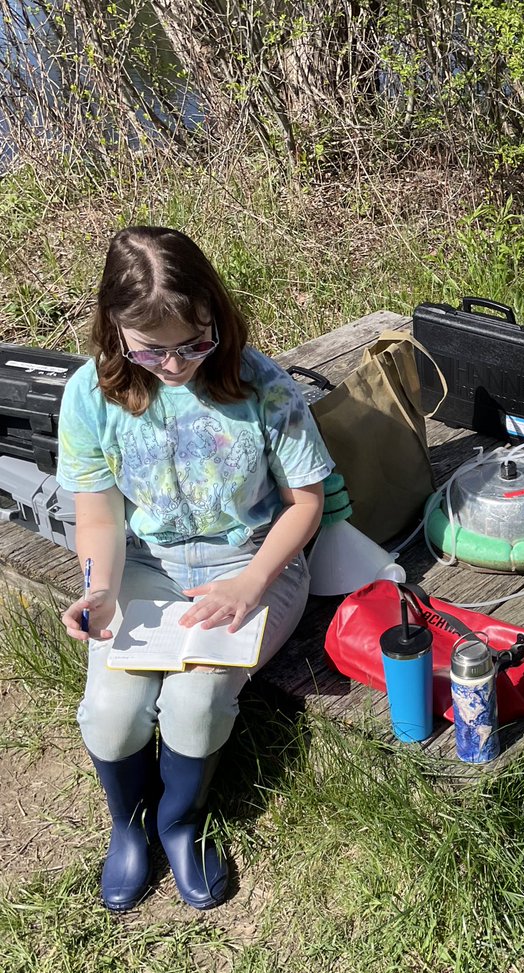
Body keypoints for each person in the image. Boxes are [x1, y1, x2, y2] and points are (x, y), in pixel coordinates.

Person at [56, 226, 333, 911]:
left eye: (194, 342)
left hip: (255, 561)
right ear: (115, 328)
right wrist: (100, 589)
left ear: (216, 311)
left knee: (198, 700)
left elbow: (306, 503)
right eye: (152, 349)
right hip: (143, 563)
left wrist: (251, 582)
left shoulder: (261, 384)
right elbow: (100, 518)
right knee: (113, 713)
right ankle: (129, 825)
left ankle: (180, 822)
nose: (175, 363)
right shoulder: (90, 394)